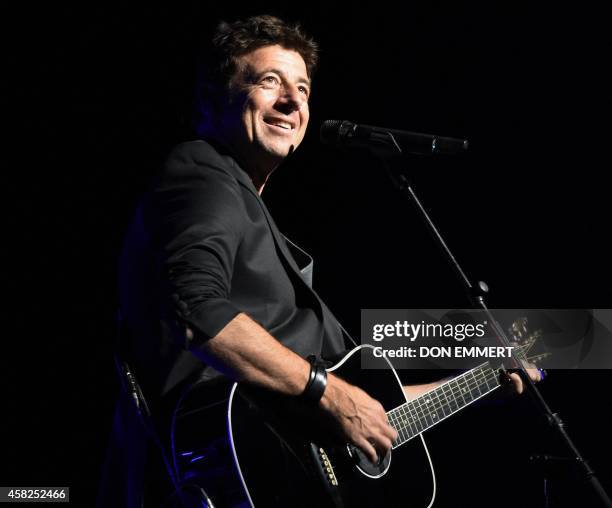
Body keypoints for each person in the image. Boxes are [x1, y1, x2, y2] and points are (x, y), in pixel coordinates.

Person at [103, 14, 541, 507]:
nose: (293, 101)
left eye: (303, 88)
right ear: (211, 99)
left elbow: (372, 412)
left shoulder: (244, 202)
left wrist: (479, 383)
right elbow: (197, 310)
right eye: (270, 81)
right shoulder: (202, 172)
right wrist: (329, 392)